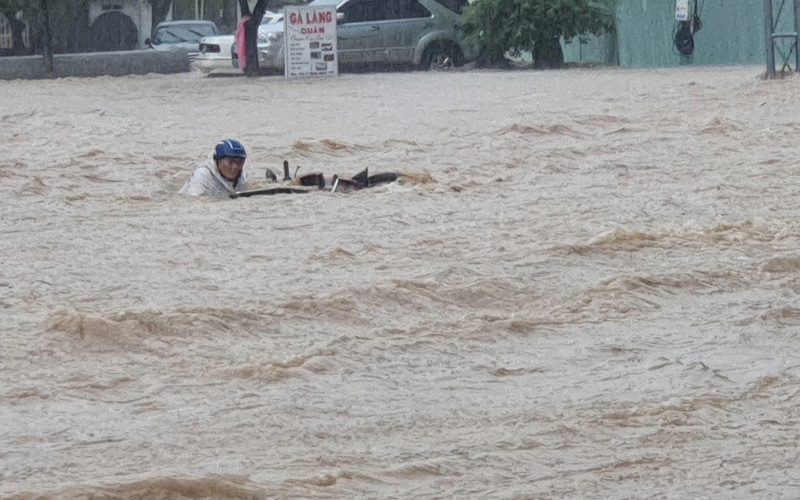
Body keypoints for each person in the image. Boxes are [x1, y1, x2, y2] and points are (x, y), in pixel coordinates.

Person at [179, 139, 251, 196]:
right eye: (230, 161)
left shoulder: (241, 177)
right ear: (218, 160)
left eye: (239, 161)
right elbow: (192, 199)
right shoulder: (202, 176)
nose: (235, 167)